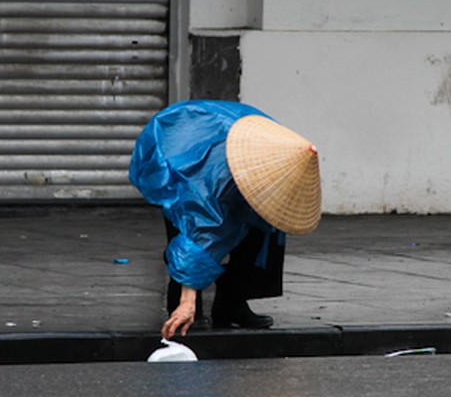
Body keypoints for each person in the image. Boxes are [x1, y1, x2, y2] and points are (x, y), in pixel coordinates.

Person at [129, 100, 321, 339]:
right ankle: (184, 307)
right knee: (186, 227)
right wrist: (187, 301)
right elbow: (196, 241)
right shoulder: (209, 187)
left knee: (261, 231)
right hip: (177, 152)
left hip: (228, 139)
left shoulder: (280, 155)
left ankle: (231, 304)